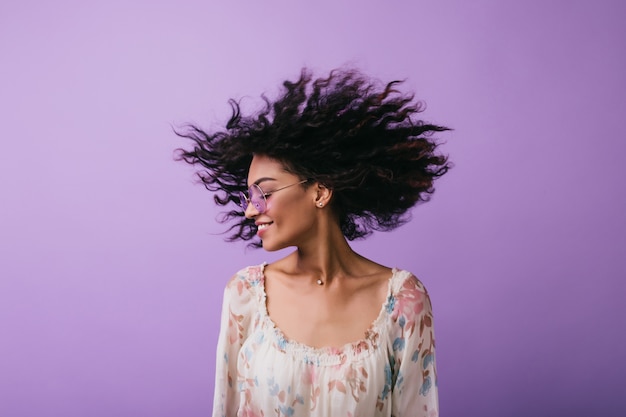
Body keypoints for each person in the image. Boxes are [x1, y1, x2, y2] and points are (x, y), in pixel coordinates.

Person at [176, 68, 451, 417]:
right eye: (249, 195)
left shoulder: (403, 302)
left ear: (319, 191)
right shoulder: (245, 294)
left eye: (264, 192)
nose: (249, 210)